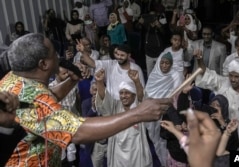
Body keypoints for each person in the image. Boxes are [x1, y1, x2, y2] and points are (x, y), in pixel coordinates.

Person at [0, 33, 172, 166]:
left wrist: (72, 81)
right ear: (43, 64)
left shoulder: (13, 80)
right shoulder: (37, 102)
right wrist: (138, 113)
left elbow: (48, 96)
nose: (58, 57)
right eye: (54, 53)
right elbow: (78, 131)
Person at [95, 68, 152, 167]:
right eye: (121, 93)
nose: (123, 96)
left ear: (133, 96)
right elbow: (104, 99)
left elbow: (142, 98)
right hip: (118, 154)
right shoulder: (115, 107)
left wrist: (137, 82)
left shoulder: (139, 109)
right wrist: (99, 82)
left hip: (136, 153)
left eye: (127, 93)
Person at [195, 52, 239, 143]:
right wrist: (199, 60)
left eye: (237, 77)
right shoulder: (223, 83)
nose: (233, 79)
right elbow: (206, 73)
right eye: (231, 75)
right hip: (226, 131)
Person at [78, 42, 145, 100]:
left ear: (129, 55)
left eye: (122, 55)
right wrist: (83, 52)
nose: (119, 57)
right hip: (111, 105)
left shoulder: (136, 69)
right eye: (118, 54)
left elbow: (141, 92)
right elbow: (92, 63)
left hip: (130, 106)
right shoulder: (110, 64)